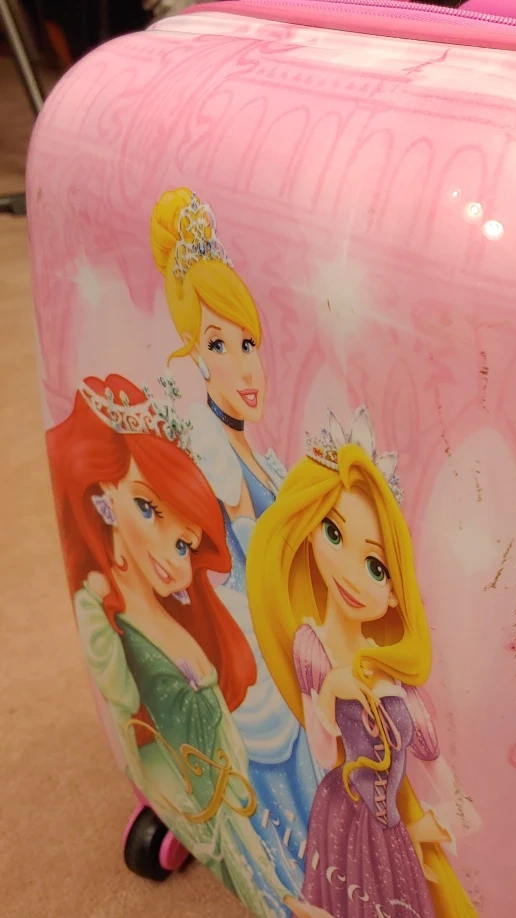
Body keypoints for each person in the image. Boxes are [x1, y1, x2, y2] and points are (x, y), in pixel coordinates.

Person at [47, 374, 302, 918]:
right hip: (210, 813)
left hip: (235, 812)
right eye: (148, 508)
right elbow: (124, 702)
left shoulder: (184, 616)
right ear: (107, 494)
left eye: (185, 544)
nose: (171, 554)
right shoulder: (106, 609)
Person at [151, 187, 320, 891]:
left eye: (248, 343)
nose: (244, 366)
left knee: (313, 805)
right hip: (254, 674)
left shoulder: (257, 454)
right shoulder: (219, 458)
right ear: (195, 357)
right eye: (219, 345)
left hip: (284, 661)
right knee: (288, 813)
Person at [248, 406, 480, 918]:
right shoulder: (312, 645)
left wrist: (436, 824)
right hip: (339, 814)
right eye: (334, 534)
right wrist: (330, 689)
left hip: (391, 831)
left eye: (376, 567)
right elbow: (322, 750)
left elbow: (448, 786)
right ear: (311, 529)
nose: (353, 577)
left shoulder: (395, 680)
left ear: (396, 593)